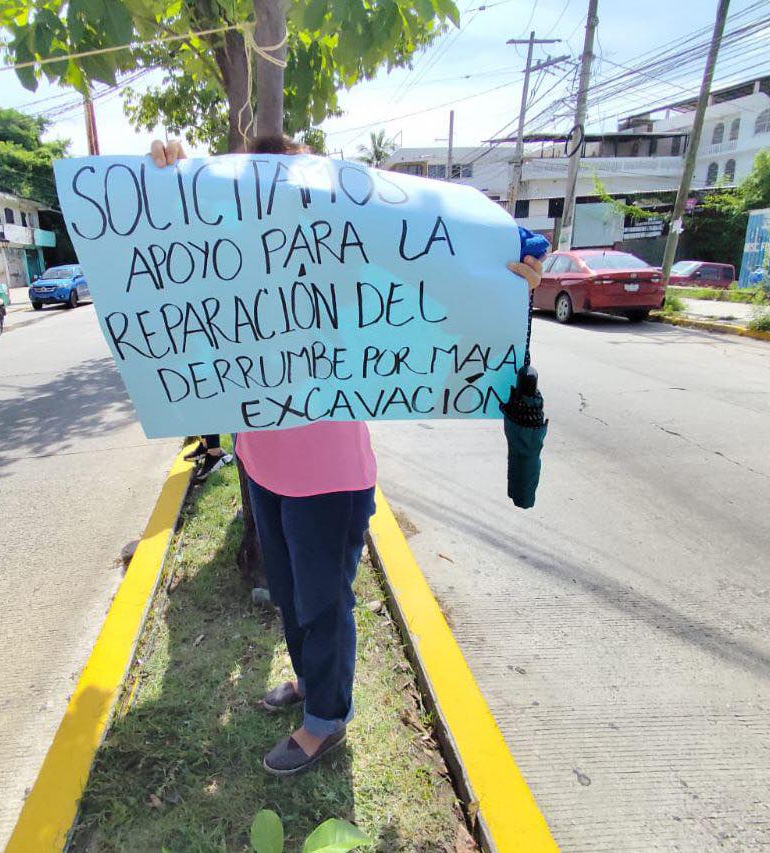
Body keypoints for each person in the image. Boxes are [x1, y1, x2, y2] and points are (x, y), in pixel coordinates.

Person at [148, 138, 544, 774]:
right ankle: (311, 685)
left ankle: (326, 719)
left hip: (329, 479)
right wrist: (174, 172)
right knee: (290, 592)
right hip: (263, 469)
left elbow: (446, 265)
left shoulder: (349, 255)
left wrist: (509, 270)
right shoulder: (246, 258)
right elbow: (179, 245)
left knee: (324, 602)